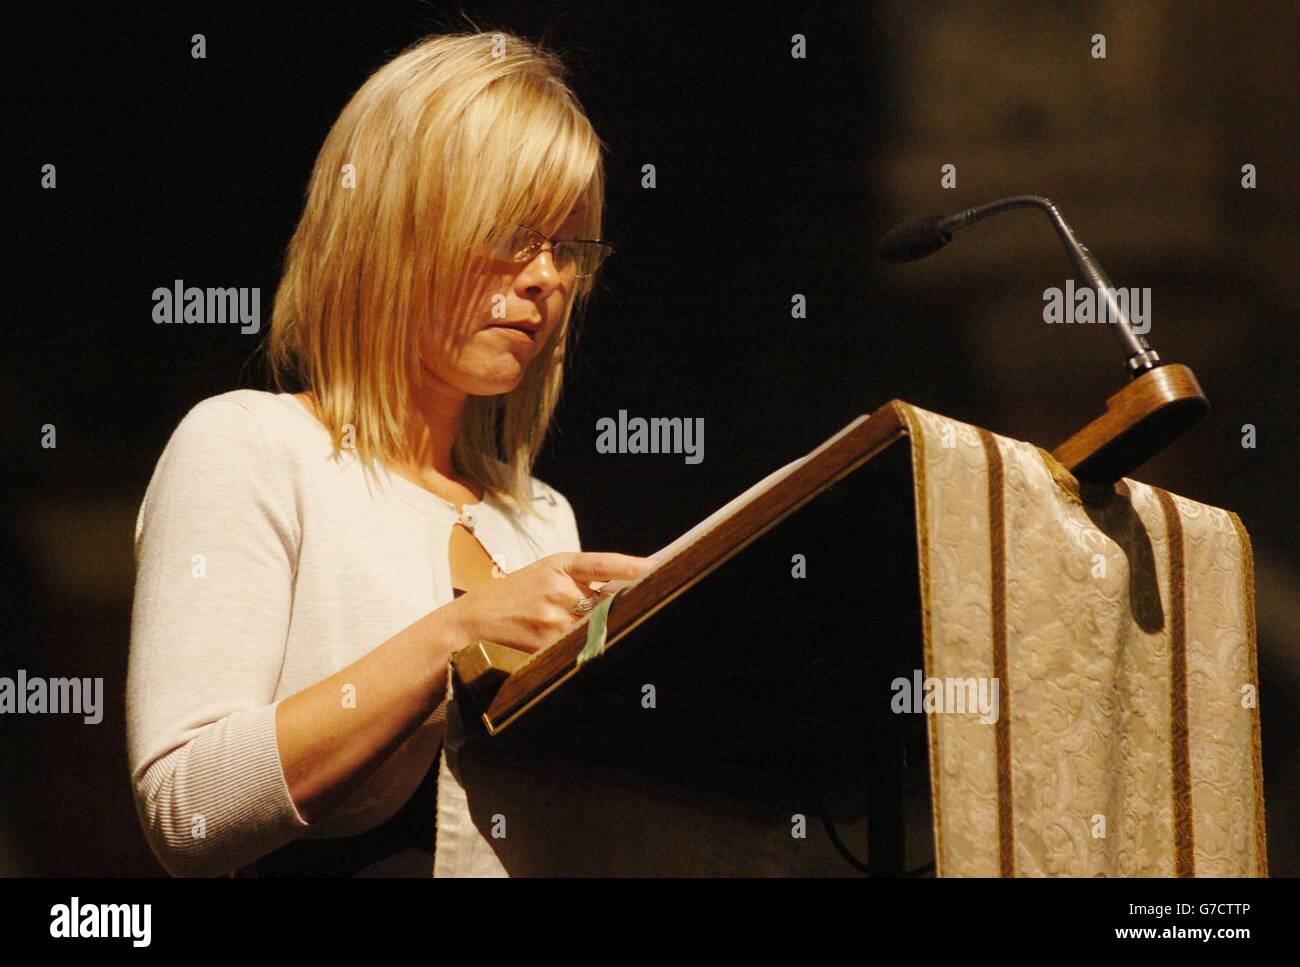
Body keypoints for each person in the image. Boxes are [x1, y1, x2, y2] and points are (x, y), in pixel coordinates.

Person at [126, 30, 655, 877]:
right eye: (514, 233)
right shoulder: (251, 448)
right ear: (390, 226)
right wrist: (454, 635)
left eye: (567, 248)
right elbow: (188, 804)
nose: (545, 278)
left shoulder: (541, 519)